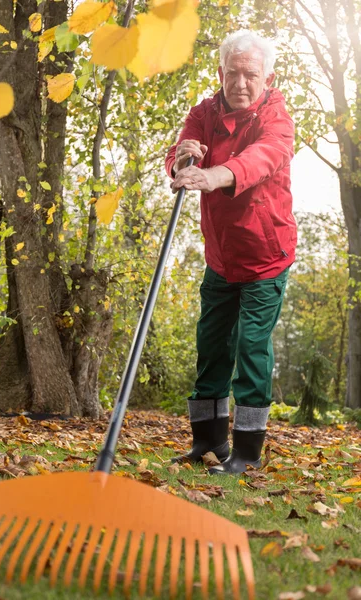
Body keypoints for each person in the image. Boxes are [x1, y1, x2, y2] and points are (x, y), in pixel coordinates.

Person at [165, 30, 297, 474]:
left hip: (265, 257)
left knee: (251, 348)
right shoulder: (204, 112)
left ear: (268, 78)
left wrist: (215, 174)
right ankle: (207, 441)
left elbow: (263, 158)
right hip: (221, 256)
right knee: (211, 345)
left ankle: (246, 452)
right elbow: (179, 158)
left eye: (251, 75)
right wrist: (183, 160)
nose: (241, 83)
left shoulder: (276, 118)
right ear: (220, 73)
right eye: (233, 74)